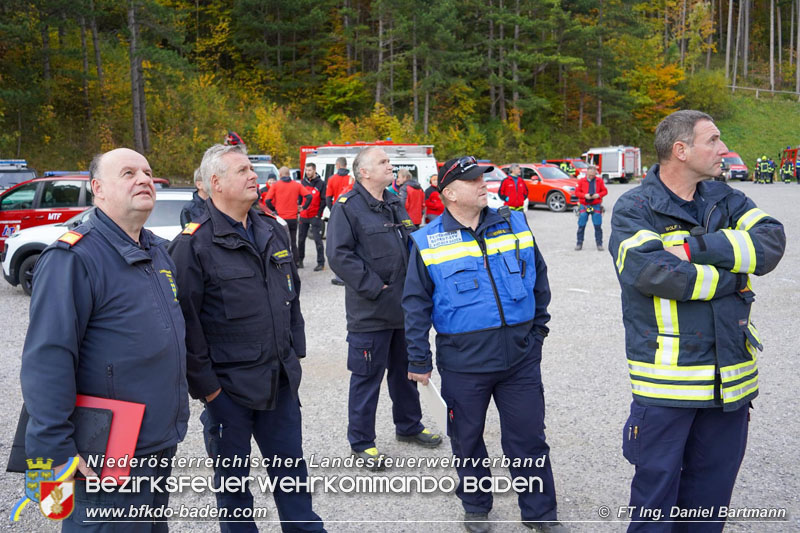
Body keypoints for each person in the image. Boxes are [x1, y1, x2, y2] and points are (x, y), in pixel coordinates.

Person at [609, 110, 785, 532]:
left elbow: (771, 243)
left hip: (731, 384)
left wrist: (694, 248)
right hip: (667, 386)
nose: (723, 149)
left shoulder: (727, 198)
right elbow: (653, 274)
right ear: (681, 150)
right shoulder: (635, 207)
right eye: (714, 140)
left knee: (709, 505)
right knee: (655, 505)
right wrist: (733, 275)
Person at [20, 147, 190, 531]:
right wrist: (56, 451)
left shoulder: (158, 252)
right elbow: (48, 360)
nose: (144, 179)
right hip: (105, 447)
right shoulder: (73, 258)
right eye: (129, 173)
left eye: (147, 172)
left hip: (156, 441)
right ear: (97, 188)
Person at [404, 156, 566, 533]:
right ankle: (476, 506)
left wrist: (538, 331)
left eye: (482, 177)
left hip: (520, 360)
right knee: (467, 438)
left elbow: (538, 278)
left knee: (528, 439)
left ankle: (540, 514)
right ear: (449, 193)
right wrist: (419, 359)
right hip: (464, 364)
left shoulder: (514, 223)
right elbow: (415, 305)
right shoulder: (427, 241)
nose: (482, 184)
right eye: (473, 180)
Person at [169, 144, 325, 533]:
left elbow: (292, 296)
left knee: (293, 479)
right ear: (215, 183)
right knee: (235, 492)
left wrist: (294, 356)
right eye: (242, 170)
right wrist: (210, 392)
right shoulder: (193, 245)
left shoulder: (272, 228)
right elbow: (185, 326)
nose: (254, 176)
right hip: (229, 394)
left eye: (252, 169)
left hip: (280, 383)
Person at [326, 146, 441, 470]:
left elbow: (408, 246)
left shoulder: (394, 201)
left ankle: (409, 426)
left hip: (402, 309)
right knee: (366, 377)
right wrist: (375, 286)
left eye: (390, 161)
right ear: (364, 172)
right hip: (371, 311)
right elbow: (339, 255)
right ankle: (362, 441)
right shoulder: (347, 207)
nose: (390, 166)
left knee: (405, 375)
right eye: (383, 162)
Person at [266, 166, 311, 266]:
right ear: (289, 174)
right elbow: (309, 196)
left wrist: (274, 210)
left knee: (280, 241)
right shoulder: (296, 185)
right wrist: (303, 207)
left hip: (281, 219)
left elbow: (267, 200)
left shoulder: (276, 185)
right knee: (293, 242)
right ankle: (296, 263)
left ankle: (283, 263)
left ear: (280, 175)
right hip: (293, 218)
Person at [325, 157, 354, 286]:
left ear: (337, 165)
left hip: (338, 212)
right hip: (352, 212)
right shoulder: (351, 179)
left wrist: (333, 211)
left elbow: (328, 198)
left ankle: (339, 276)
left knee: (338, 244)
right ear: (345, 165)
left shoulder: (332, 179)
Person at [298, 162, 326, 271]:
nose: (307, 172)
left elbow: (323, 200)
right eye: (306, 170)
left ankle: (321, 263)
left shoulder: (321, 183)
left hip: (315, 216)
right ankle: (300, 260)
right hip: (304, 214)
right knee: (300, 239)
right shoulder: (302, 182)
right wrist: (299, 208)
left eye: (309, 170)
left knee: (318, 240)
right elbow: (300, 197)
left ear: (314, 170)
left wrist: (319, 214)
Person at [574, 164, 608, 251]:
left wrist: (598, 195)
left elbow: (605, 191)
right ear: (587, 173)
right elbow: (577, 192)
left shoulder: (599, 181)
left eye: (593, 175)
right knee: (581, 225)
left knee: (598, 225)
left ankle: (599, 244)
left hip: (596, 205)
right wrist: (584, 195)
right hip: (584, 205)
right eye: (589, 175)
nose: (591, 177)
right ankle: (579, 243)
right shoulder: (581, 181)